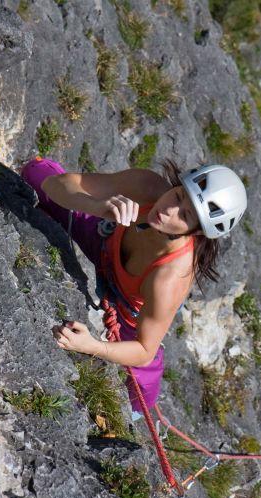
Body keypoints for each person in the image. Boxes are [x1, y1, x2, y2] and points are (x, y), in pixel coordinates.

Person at [20, 157, 247, 416]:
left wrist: (92, 346)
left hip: (130, 310)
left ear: (196, 232)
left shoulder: (170, 277)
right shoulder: (146, 187)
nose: (169, 210)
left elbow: (144, 350)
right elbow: (57, 184)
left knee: (139, 402)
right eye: (179, 195)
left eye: (184, 216)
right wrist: (96, 206)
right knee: (36, 172)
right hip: (104, 237)